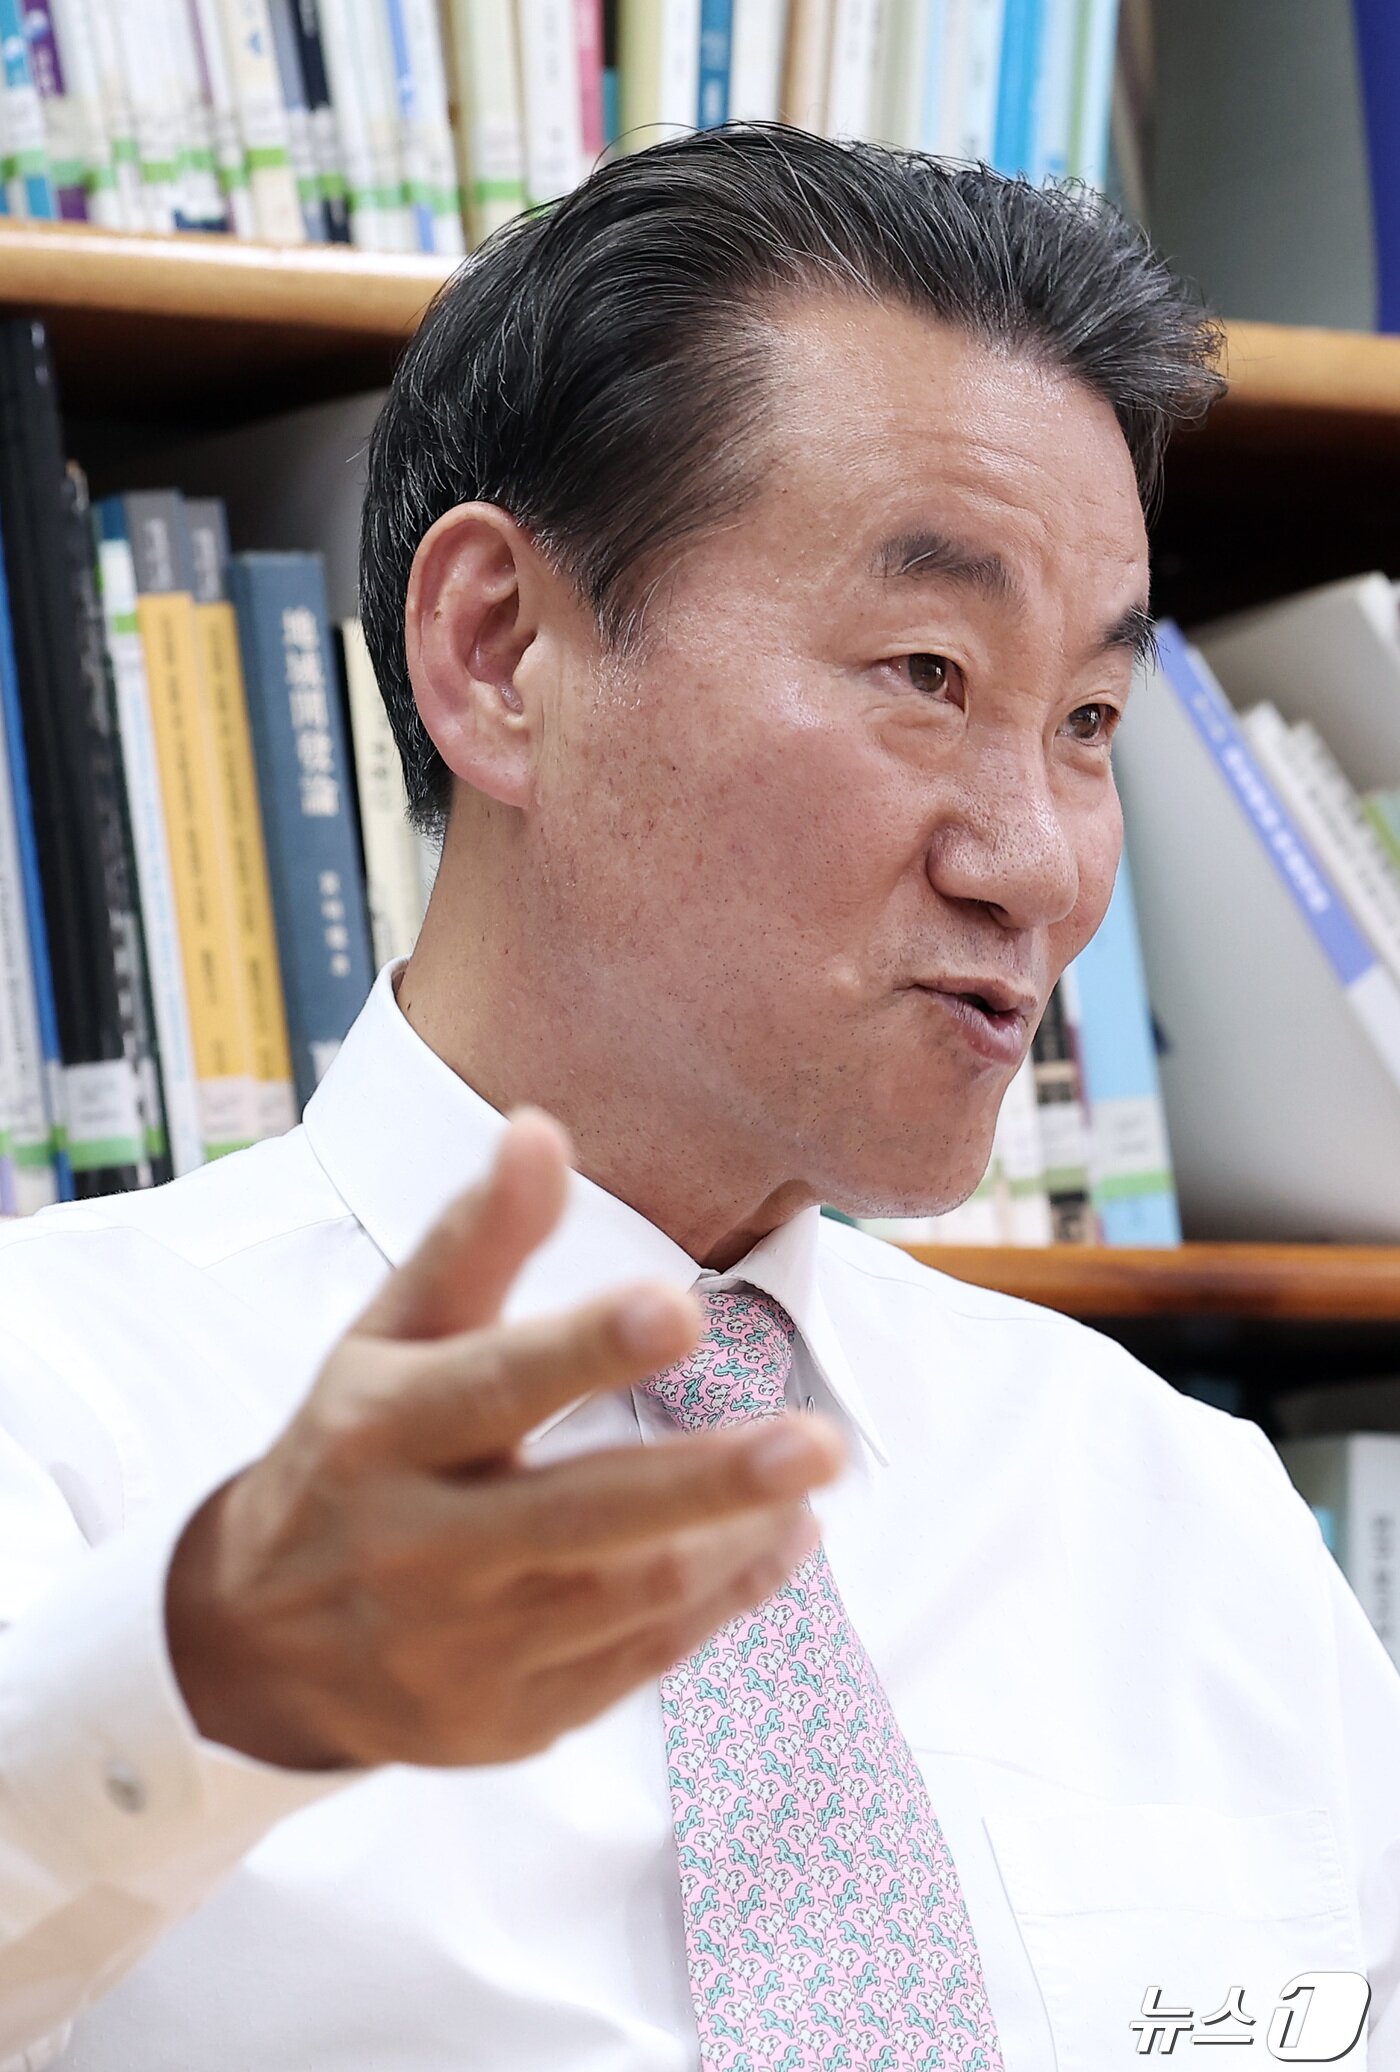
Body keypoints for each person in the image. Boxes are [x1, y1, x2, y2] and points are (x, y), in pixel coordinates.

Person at [0, 123, 1395, 2072]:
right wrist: (197, 1682)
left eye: (1086, 719)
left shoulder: (1184, 1510)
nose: (1039, 862)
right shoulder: (56, 1411)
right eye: (926, 670)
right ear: (501, 654)